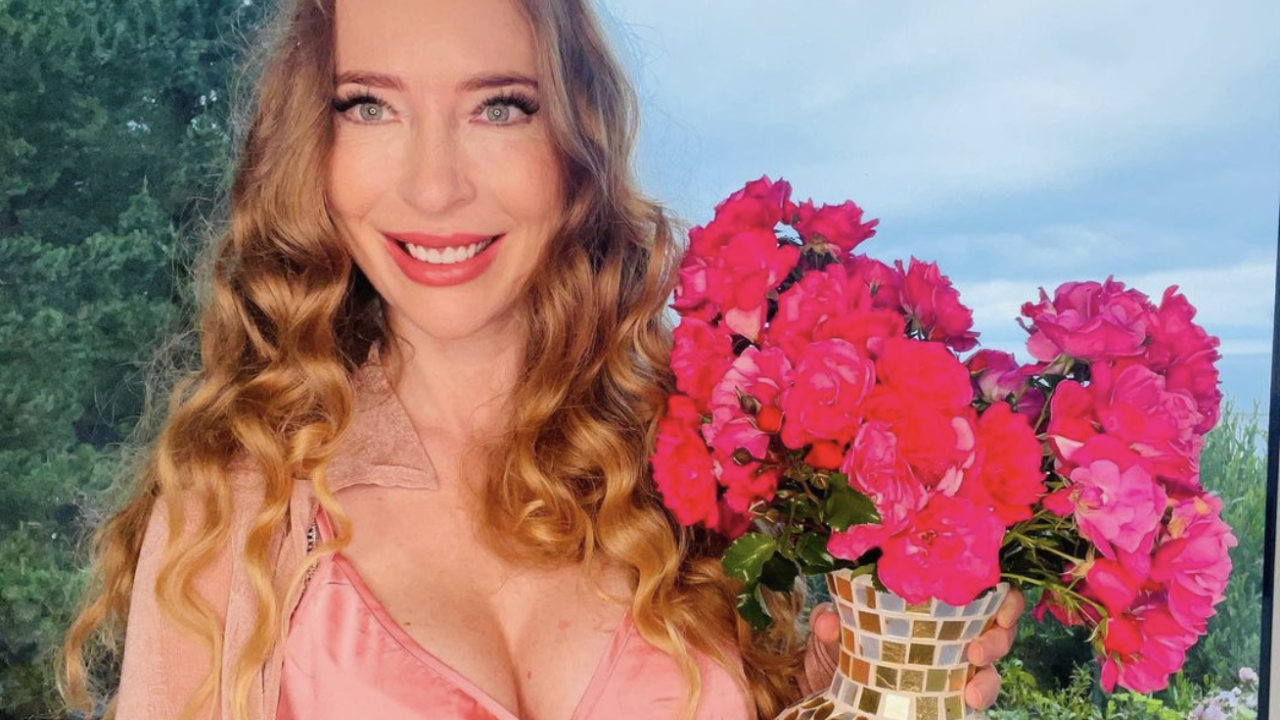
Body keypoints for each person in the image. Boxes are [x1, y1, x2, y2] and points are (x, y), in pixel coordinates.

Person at [59, 0, 1022, 718]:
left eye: (499, 108)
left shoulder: (691, 474)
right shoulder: (238, 508)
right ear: (312, 147)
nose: (434, 187)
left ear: (575, 144)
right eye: (369, 106)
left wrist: (838, 694)